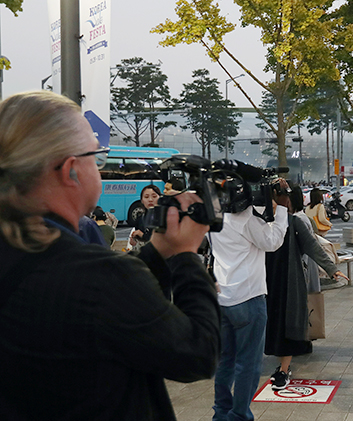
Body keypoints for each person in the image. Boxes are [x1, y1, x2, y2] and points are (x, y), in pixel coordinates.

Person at [0, 91, 220, 419]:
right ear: (71, 170)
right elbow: (197, 354)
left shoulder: (24, 254)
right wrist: (186, 256)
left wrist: (159, 252)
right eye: (97, 156)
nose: (100, 168)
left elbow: (112, 311)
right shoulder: (96, 277)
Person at [209, 180, 290, 421]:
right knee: (248, 364)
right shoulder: (245, 218)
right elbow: (273, 242)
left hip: (223, 298)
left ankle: (222, 413)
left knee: (226, 361)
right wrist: (283, 206)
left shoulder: (213, 219)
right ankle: (239, 415)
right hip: (249, 298)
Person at [265, 187, 349, 390]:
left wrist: (332, 269)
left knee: (288, 323)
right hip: (264, 282)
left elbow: (313, 246)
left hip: (289, 281)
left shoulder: (294, 223)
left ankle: (284, 370)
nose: (274, 204)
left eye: (277, 200)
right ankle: (280, 364)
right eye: (272, 200)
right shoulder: (262, 224)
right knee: (271, 323)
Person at [126, 184, 161, 252]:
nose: (150, 200)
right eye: (146, 197)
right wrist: (134, 240)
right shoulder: (140, 218)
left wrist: (142, 235)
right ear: (142, 200)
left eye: (154, 196)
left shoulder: (164, 217)